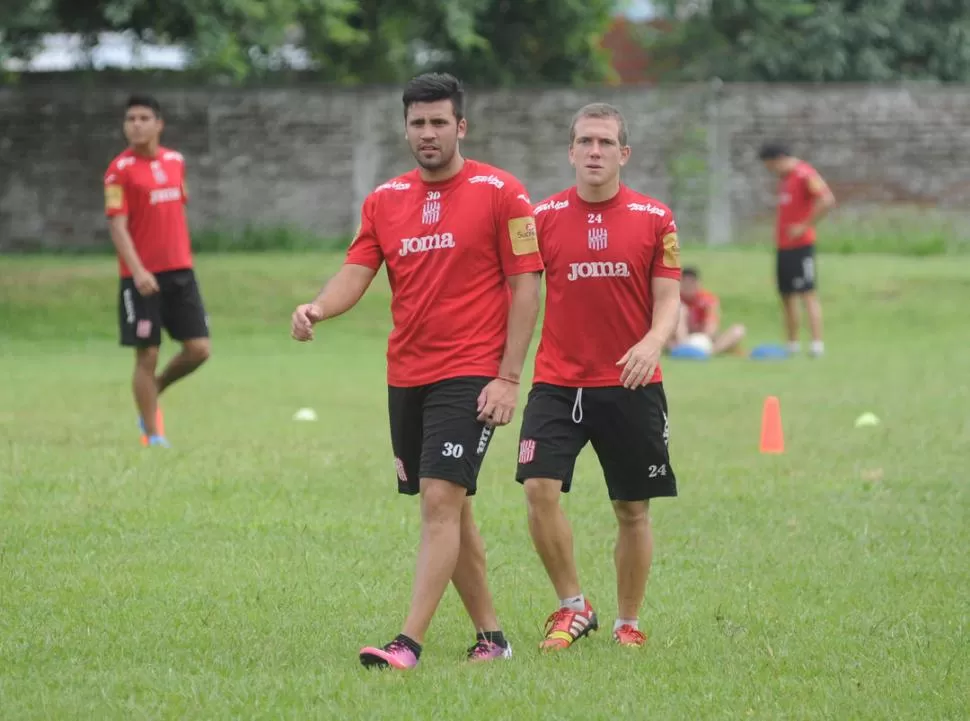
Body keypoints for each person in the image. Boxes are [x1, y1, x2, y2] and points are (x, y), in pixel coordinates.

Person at [290, 72, 544, 670]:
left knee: (438, 501)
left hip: (472, 371)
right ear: (405, 127)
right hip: (407, 374)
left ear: (461, 126)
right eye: (417, 123)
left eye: (438, 123)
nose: (427, 134)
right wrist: (318, 308)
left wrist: (508, 377)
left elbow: (526, 285)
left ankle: (407, 643)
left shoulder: (503, 192)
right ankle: (492, 638)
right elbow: (357, 270)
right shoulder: (384, 200)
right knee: (451, 508)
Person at [515, 102, 681, 650]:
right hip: (558, 382)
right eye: (585, 141)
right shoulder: (541, 218)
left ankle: (627, 621)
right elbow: (519, 294)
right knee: (538, 489)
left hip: (631, 385)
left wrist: (653, 342)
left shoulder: (655, 218)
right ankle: (572, 606)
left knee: (632, 508)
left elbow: (669, 298)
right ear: (570, 151)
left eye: (605, 143)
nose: (594, 151)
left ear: (623, 153)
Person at [103, 94, 211, 448]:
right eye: (130, 118)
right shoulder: (118, 171)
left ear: (158, 124)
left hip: (181, 272)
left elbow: (176, 211)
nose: (135, 124)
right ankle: (153, 435)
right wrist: (137, 271)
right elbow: (118, 226)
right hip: (141, 279)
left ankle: (154, 391)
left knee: (199, 350)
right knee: (147, 353)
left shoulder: (176, 162)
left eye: (143, 118)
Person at [758, 142, 836, 358]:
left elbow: (826, 200)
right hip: (783, 246)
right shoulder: (785, 180)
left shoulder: (804, 174)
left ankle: (816, 344)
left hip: (801, 245)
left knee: (807, 293)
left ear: (780, 158)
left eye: (771, 166)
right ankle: (791, 345)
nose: (771, 171)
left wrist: (804, 225)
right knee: (786, 295)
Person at [669, 266, 746, 355]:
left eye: (691, 283)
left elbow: (712, 323)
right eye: (685, 283)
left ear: (698, 283)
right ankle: (683, 348)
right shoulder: (674, 298)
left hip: (705, 337)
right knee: (681, 309)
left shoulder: (708, 299)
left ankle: (710, 352)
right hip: (680, 338)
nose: (688, 287)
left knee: (738, 330)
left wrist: (704, 339)